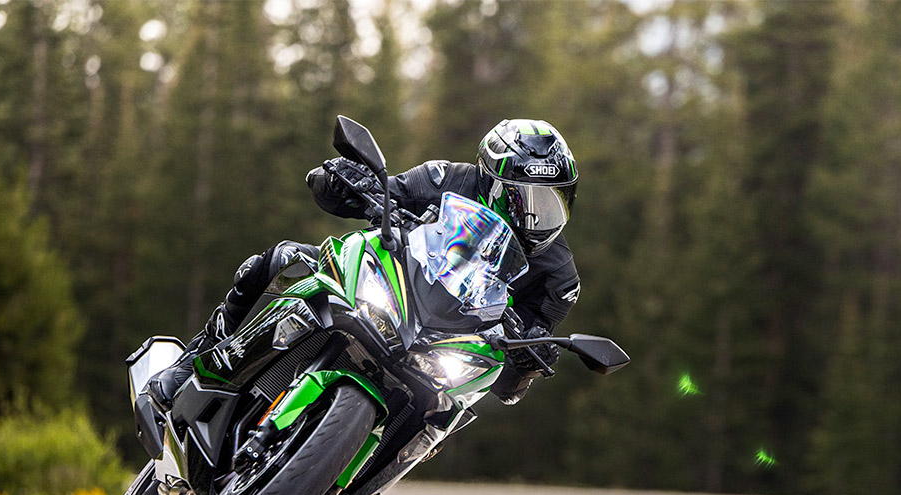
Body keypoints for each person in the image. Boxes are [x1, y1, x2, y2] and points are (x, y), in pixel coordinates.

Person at [148, 118, 581, 410]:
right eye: (525, 198)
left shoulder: (558, 277)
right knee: (284, 259)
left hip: (445, 348)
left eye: (551, 202)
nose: (537, 216)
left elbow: (509, 380)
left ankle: (363, 470)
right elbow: (383, 191)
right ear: (491, 182)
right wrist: (346, 180)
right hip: (394, 290)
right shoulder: (449, 179)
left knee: (450, 411)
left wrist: (529, 360)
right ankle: (194, 359)